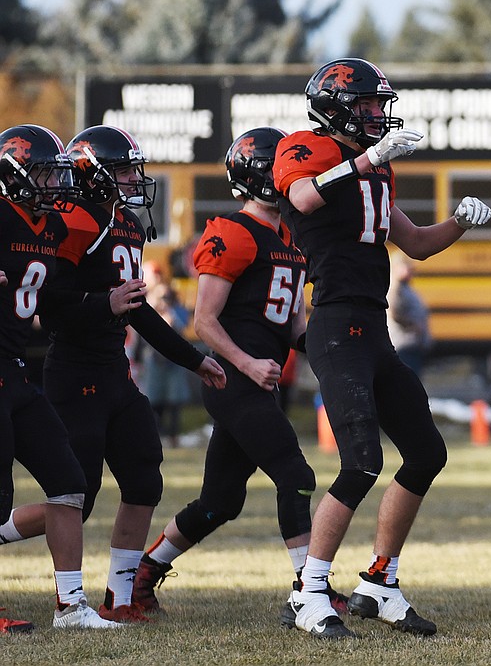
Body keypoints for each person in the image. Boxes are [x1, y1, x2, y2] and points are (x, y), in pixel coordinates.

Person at [273, 58, 491, 639]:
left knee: (426, 453)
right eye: (369, 105)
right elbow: (301, 198)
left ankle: (379, 579)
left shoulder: (374, 171)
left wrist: (460, 222)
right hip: (335, 323)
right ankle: (309, 592)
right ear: (338, 105)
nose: (378, 115)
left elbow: (415, 243)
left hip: (372, 327)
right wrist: (369, 158)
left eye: (379, 105)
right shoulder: (304, 146)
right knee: (361, 463)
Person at [1, 125, 227, 624]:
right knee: (75, 496)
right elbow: (46, 303)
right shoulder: (71, 220)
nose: (132, 179)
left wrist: (192, 358)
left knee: (144, 476)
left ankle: (119, 598)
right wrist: (100, 302)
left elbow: (135, 309)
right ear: (93, 173)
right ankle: (9, 533)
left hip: (113, 371)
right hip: (73, 370)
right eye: (123, 169)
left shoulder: (123, 223)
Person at [132, 127, 347, 619]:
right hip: (233, 379)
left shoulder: (289, 237)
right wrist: (248, 363)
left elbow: (292, 323)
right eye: (283, 167)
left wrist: (331, 351)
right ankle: (307, 588)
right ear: (260, 175)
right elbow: (204, 321)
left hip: (259, 381)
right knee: (296, 474)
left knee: (221, 500)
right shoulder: (232, 231)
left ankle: (146, 572)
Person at [0, 124, 122, 629]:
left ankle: (71, 606)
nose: (58, 185)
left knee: (68, 482)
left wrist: (102, 303)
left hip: (15, 371)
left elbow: (50, 299)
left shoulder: (48, 228)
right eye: (47, 175)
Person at [134, 260, 192, 446]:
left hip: (173, 358)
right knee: (153, 398)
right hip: (153, 356)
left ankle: (172, 435)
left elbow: (182, 323)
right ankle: (156, 434)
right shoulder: (146, 298)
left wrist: (169, 311)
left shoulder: (174, 302)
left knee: (175, 398)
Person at [386, 256, 431, 376]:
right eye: (408, 268)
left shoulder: (405, 288)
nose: (411, 271)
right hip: (404, 345)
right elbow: (394, 311)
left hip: (412, 345)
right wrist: (413, 326)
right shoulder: (396, 287)